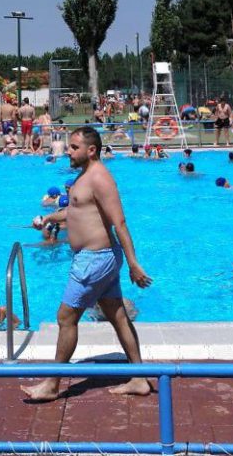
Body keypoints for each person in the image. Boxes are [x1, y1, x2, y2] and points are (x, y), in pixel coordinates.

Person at [20, 126, 151, 402]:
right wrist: (48, 219)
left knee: (66, 318)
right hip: (97, 257)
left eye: (74, 147)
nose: (68, 151)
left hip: (94, 260)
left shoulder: (100, 178)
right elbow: (75, 210)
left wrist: (133, 263)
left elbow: (120, 222)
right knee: (117, 315)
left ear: (91, 150)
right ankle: (139, 378)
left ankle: (53, 384)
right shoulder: (84, 177)